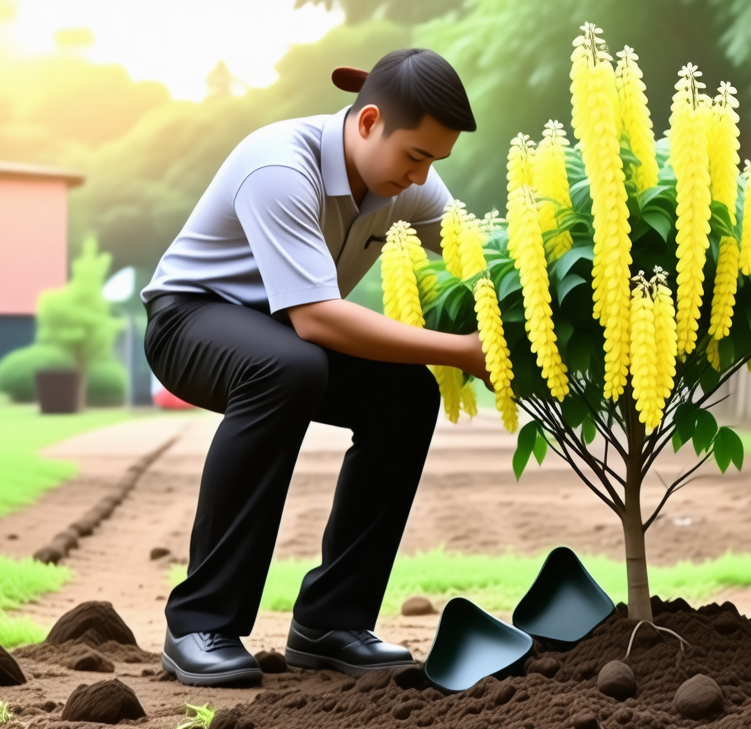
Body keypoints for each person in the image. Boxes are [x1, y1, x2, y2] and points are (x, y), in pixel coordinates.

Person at [141, 49, 491, 687]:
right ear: (369, 122)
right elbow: (317, 320)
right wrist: (463, 350)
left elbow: (482, 256)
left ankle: (331, 622)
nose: (422, 177)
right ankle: (199, 623)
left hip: (282, 339)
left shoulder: (407, 181)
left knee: (407, 394)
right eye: (415, 156)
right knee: (290, 366)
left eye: (435, 162)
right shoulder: (280, 166)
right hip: (189, 321)